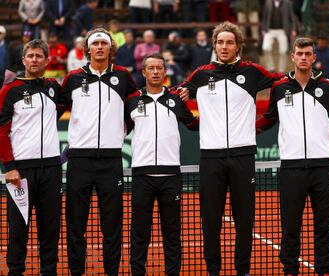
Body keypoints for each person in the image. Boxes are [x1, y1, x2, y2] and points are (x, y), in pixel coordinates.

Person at [180, 21, 285, 276]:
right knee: (211, 221)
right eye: (220, 42)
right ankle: (213, 270)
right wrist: (192, 123)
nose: (224, 46)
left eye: (229, 42)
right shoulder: (201, 74)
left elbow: (283, 81)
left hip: (243, 155)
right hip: (211, 156)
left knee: (244, 219)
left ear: (238, 46)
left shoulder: (251, 71)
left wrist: (260, 125)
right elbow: (176, 95)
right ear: (214, 45)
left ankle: (243, 270)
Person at [257, 37, 329, 276]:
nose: (303, 58)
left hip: (323, 167)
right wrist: (244, 130)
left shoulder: (328, 88)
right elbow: (269, 118)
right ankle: (290, 270)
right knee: (290, 226)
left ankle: (323, 270)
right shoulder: (279, 88)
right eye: (299, 54)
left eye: (308, 54)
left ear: (314, 58)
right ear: (292, 57)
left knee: (325, 226)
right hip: (291, 168)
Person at [59, 27, 137, 276]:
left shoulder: (123, 76)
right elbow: (55, 110)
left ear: (110, 48)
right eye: (96, 44)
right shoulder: (73, 78)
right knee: (76, 224)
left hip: (111, 160)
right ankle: (76, 271)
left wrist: (120, 130)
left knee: (112, 224)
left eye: (105, 43)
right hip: (79, 159)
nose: (100, 47)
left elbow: (135, 107)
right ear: (88, 49)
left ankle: (111, 271)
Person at [125, 52, 197, 276]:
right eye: (151, 68)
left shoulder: (176, 100)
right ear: (144, 72)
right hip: (141, 176)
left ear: (165, 72)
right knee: (139, 233)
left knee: (172, 233)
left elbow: (192, 124)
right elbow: (119, 129)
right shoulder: (132, 100)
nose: (155, 72)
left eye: (159, 68)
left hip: (171, 175)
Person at [0, 39, 62, 275]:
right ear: (23, 60)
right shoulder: (10, 89)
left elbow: (62, 107)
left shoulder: (53, 86)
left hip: (52, 170)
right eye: (30, 56)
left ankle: (49, 272)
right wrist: (10, 167)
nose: (34, 60)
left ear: (47, 60)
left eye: (39, 56)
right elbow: (1, 130)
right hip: (21, 172)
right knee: (18, 228)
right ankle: (15, 271)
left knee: (50, 228)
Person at [261, 0, 298, 72]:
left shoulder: (288, 3)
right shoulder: (268, 3)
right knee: (265, 48)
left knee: (283, 51)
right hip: (269, 30)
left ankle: (281, 71)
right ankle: (270, 67)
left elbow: (292, 17)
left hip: (282, 30)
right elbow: (264, 17)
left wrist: (293, 29)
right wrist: (263, 29)